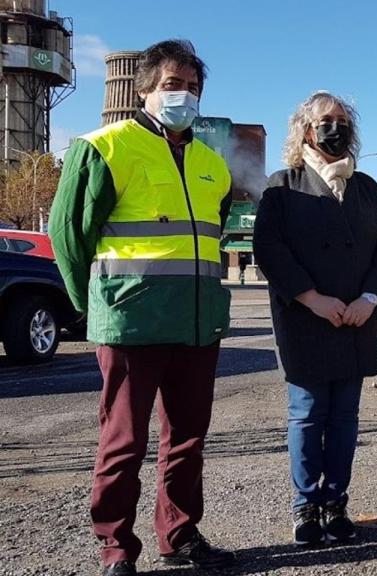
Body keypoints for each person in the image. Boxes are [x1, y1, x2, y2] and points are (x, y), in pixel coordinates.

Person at [48, 40, 234, 575]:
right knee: (123, 441)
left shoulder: (211, 164)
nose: (185, 95)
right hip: (131, 322)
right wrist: (94, 307)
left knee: (187, 440)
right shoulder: (104, 147)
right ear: (144, 89)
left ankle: (179, 534)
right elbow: (68, 235)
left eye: (193, 87)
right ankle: (115, 548)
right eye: (174, 84)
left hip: (198, 323)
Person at [253, 92, 377, 544]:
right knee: (308, 413)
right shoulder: (282, 185)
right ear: (305, 130)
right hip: (306, 321)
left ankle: (336, 503)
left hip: (357, 320)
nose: (334, 127)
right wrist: (311, 298)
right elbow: (269, 250)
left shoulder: (367, 188)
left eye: (341, 120)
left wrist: (370, 298)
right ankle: (305, 507)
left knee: (345, 417)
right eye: (324, 120)